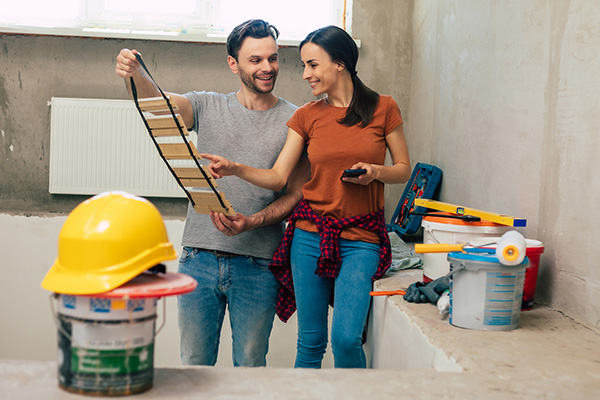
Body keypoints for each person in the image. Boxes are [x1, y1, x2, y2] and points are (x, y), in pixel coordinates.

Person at [201, 25, 411, 369]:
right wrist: (236, 167)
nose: (305, 74)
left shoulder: (384, 108)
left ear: (340, 63)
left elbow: (403, 168)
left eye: (312, 65)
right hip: (310, 236)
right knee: (311, 342)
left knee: (346, 340)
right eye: (303, 66)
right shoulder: (306, 116)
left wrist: (376, 172)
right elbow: (278, 177)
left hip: (362, 239)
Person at [115, 19, 309, 367]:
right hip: (198, 258)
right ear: (233, 63)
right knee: (194, 365)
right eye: (256, 60)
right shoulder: (207, 105)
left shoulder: (297, 119)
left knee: (250, 367)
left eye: (273, 58)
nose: (267, 68)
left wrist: (252, 222)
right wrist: (135, 73)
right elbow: (157, 106)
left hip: (259, 262)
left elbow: (295, 194)